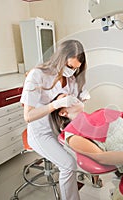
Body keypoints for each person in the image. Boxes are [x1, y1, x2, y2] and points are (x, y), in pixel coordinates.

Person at [20, 39, 91, 200]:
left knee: (88, 151)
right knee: (68, 165)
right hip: (41, 133)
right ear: (60, 59)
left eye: (76, 69)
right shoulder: (38, 75)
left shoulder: (72, 78)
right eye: (70, 67)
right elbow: (28, 116)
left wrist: (82, 99)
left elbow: (78, 101)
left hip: (61, 130)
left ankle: (93, 177)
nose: (72, 72)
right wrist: (55, 104)